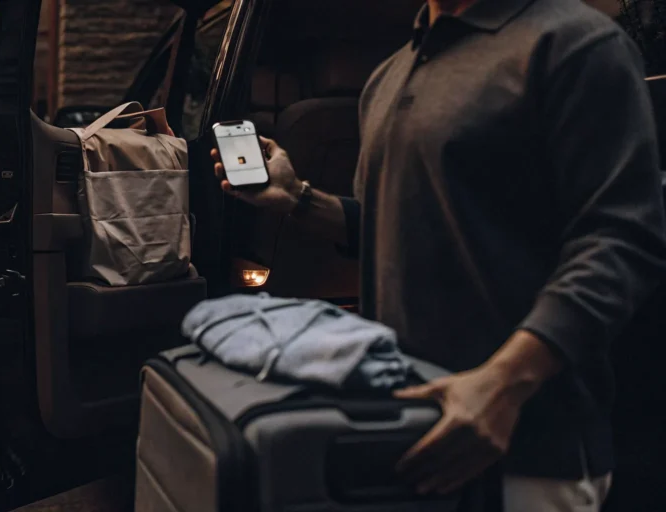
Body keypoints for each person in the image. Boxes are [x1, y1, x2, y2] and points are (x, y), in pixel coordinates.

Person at [211, 0, 666, 510]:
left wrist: (503, 385)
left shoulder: (576, 44)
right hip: (409, 432)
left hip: (529, 452)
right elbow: (390, 227)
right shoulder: (388, 76)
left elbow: (622, 237)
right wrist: (297, 197)